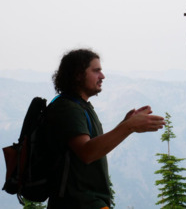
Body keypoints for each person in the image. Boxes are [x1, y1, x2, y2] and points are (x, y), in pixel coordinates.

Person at [46, 49, 165, 209]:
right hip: (79, 202)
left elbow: (93, 146)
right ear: (78, 75)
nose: (102, 76)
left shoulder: (80, 106)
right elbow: (87, 153)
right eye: (96, 71)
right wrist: (129, 126)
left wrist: (125, 123)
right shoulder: (68, 108)